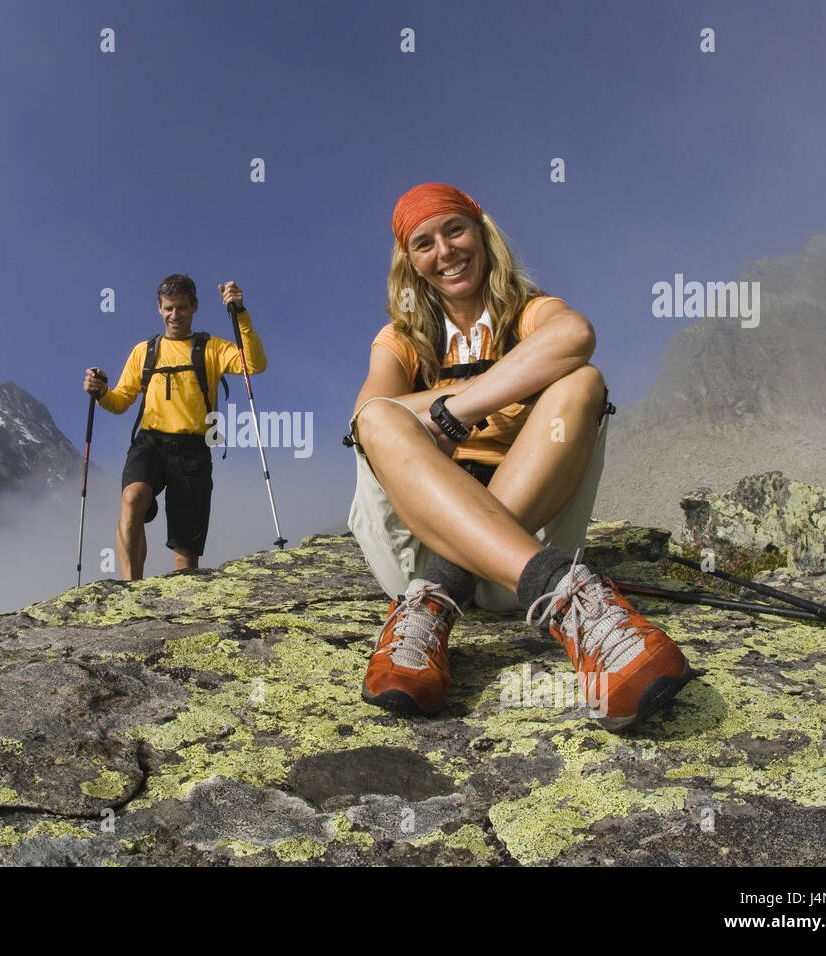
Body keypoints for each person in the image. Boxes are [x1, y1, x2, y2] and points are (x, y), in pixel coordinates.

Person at [348, 183, 691, 730]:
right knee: (374, 421)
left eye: (455, 230)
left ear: (482, 234)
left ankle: (439, 599)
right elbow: (372, 409)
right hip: (417, 553)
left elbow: (576, 334)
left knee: (582, 381)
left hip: (520, 545)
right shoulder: (403, 338)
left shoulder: (530, 313)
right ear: (409, 262)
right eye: (424, 243)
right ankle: (567, 599)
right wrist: (508, 383)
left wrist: (451, 415)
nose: (445, 252)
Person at [84, 275, 266, 580]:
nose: (174, 315)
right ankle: (131, 592)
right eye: (168, 308)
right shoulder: (145, 352)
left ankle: (181, 613)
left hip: (194, 450)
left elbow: (255, 364)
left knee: (186, 554)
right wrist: (102, 391)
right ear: (159, 308)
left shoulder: (211, 347)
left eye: (181, 308)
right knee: (132, 499)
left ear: (194, 307)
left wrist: (240, 312)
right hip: (150, 442)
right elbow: (119, 402)